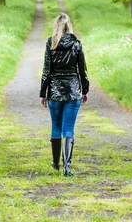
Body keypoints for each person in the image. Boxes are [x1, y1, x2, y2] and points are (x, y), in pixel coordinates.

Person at [40, 12, 89, 177]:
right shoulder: (76, 44)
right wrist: (85, 90)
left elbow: (47, 71)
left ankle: (55, 164)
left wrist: (43, 93)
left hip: (55, 92)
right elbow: (82, 70)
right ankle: (67, 167)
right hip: (73, 91)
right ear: (70, 26)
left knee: (56, 127)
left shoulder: (51, 43)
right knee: (69, 128)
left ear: (56, 26)